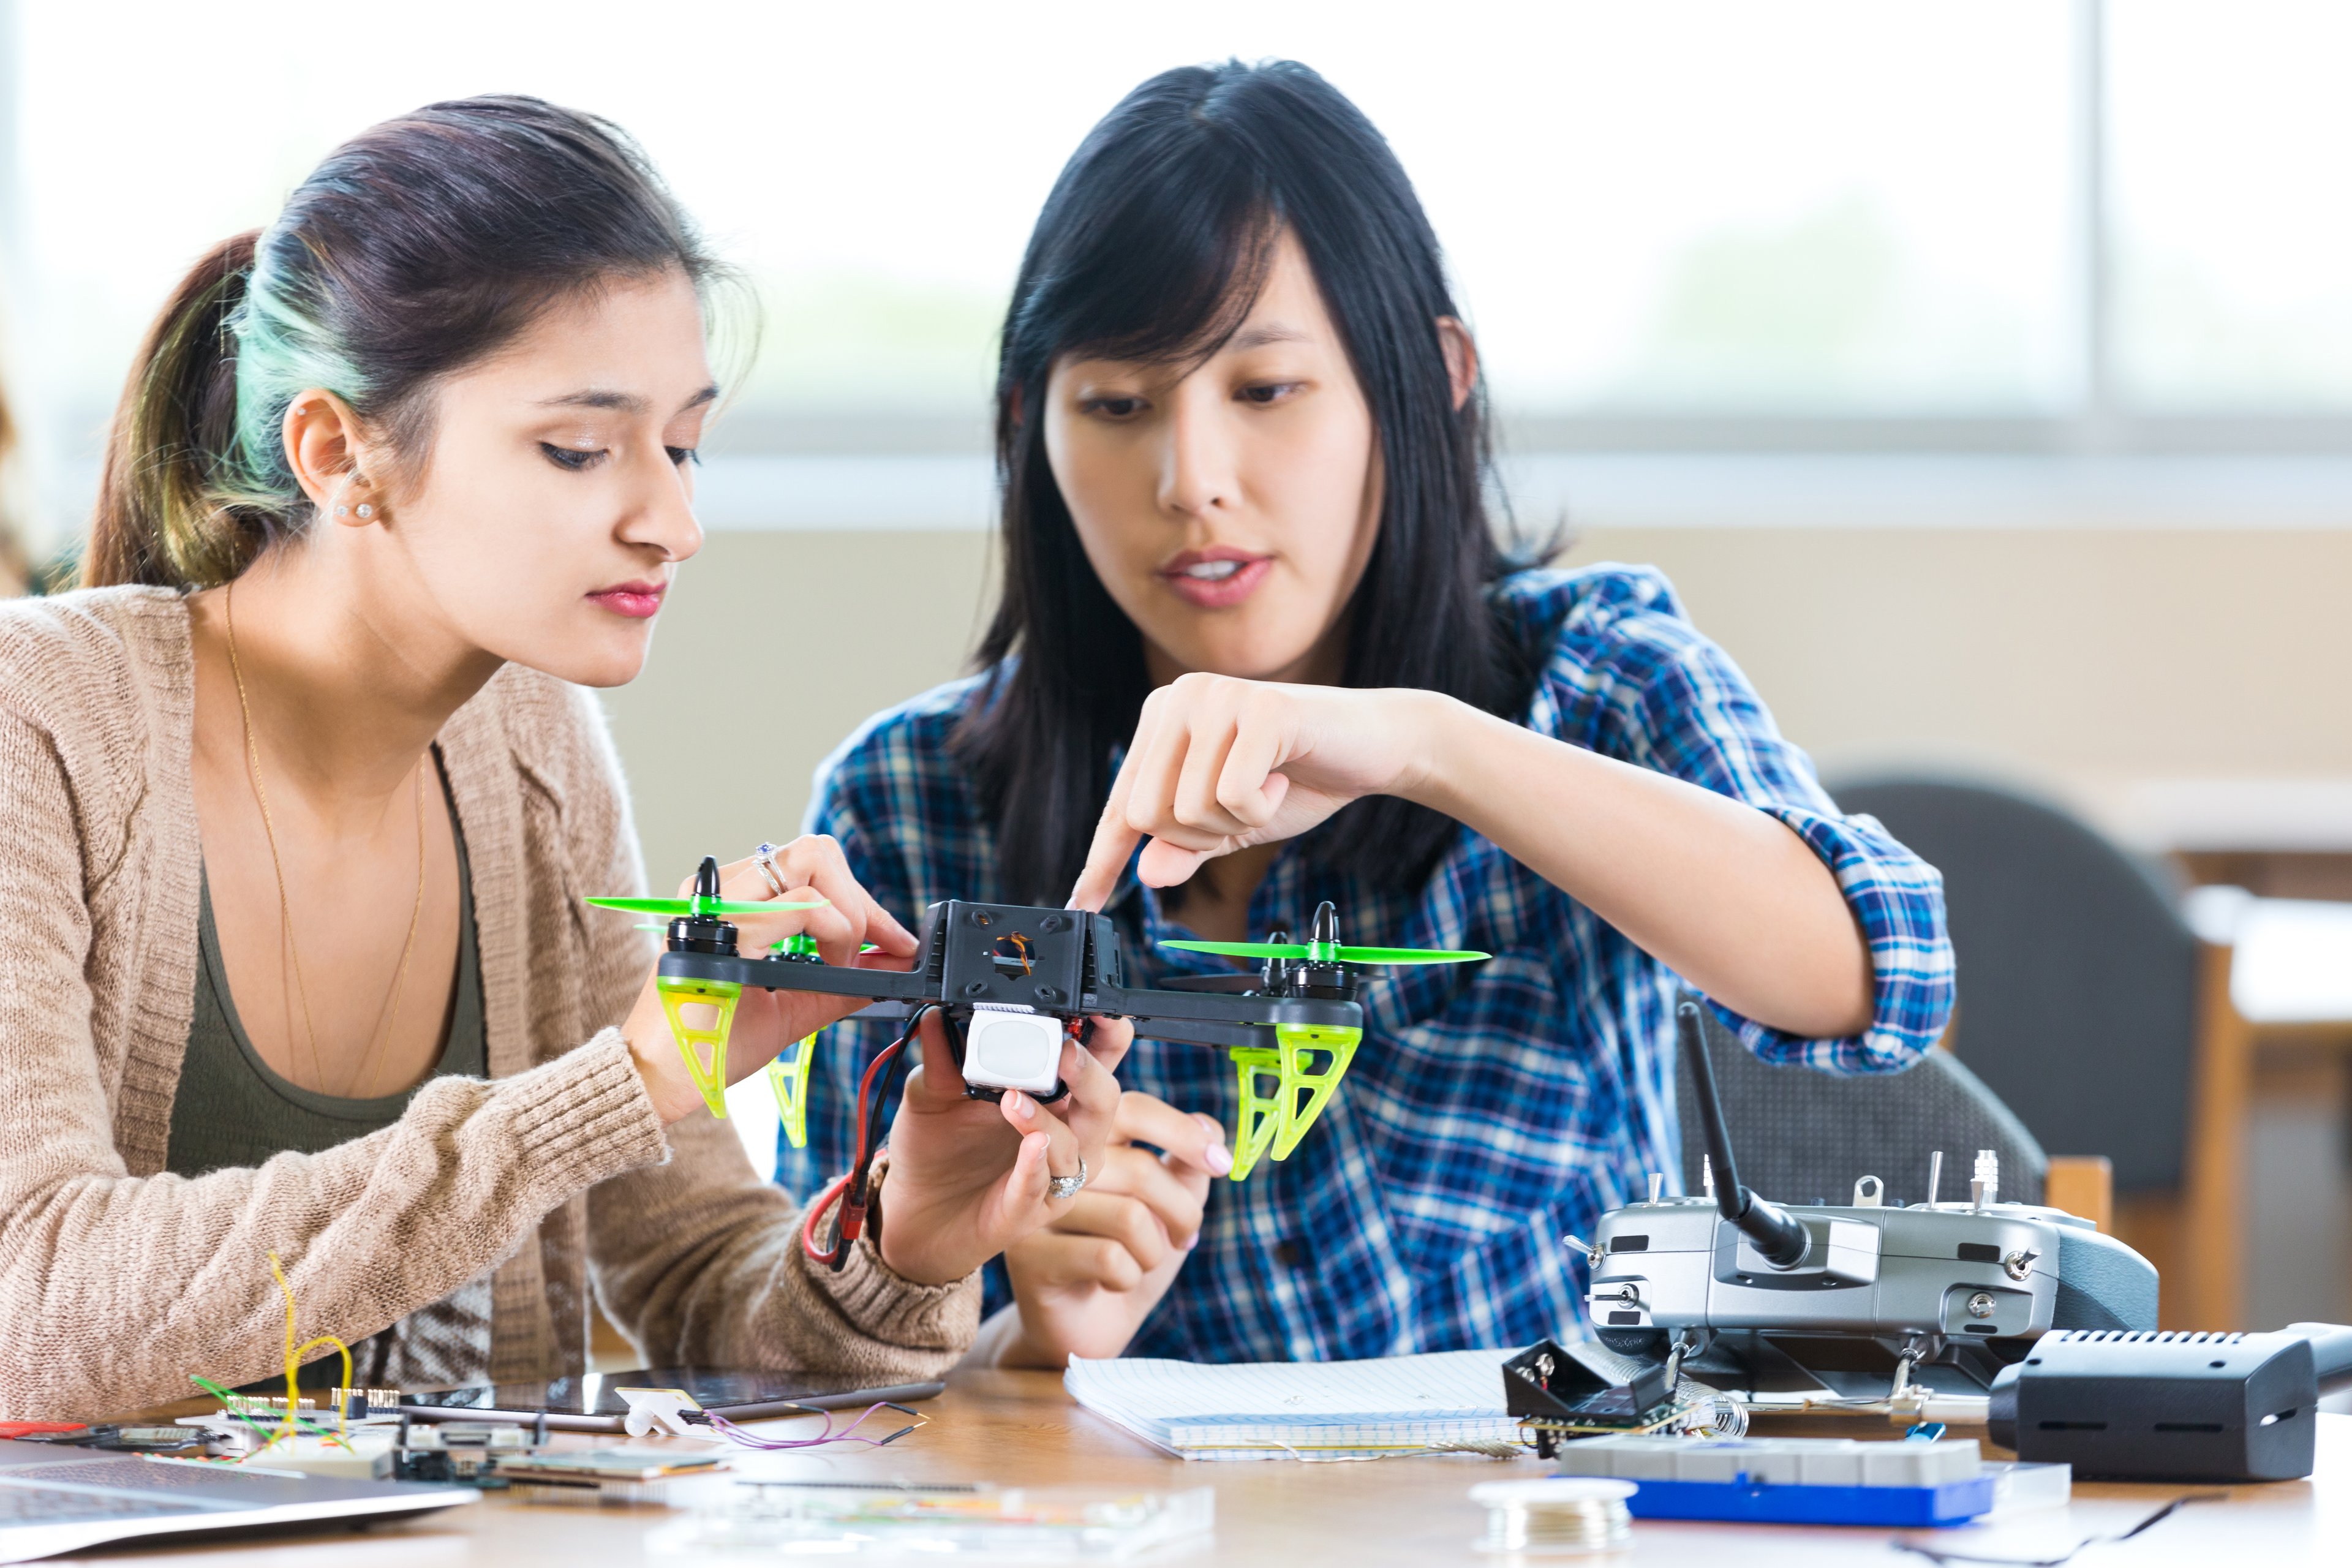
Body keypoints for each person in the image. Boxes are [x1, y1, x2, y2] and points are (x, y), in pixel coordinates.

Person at [790, 61, 1954, 1367]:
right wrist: (1030, 1339)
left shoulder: (1592, 679)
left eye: (1266, 389)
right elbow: (817, 1377)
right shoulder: (904, 806)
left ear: (1432, 375)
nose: (1193, 482)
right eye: (1116, 405)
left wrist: (1429, 745)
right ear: (1027, 424)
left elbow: (1885, 978)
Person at [0, 97, 1125, 1421]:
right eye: (582, 449)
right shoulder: (42, 722)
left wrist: (906, 1234)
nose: (675, 520)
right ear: (337, 452)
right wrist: (625, 1076)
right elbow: (30, 1306)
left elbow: (703, 1277)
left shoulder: (533, 751)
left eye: (685, 442)